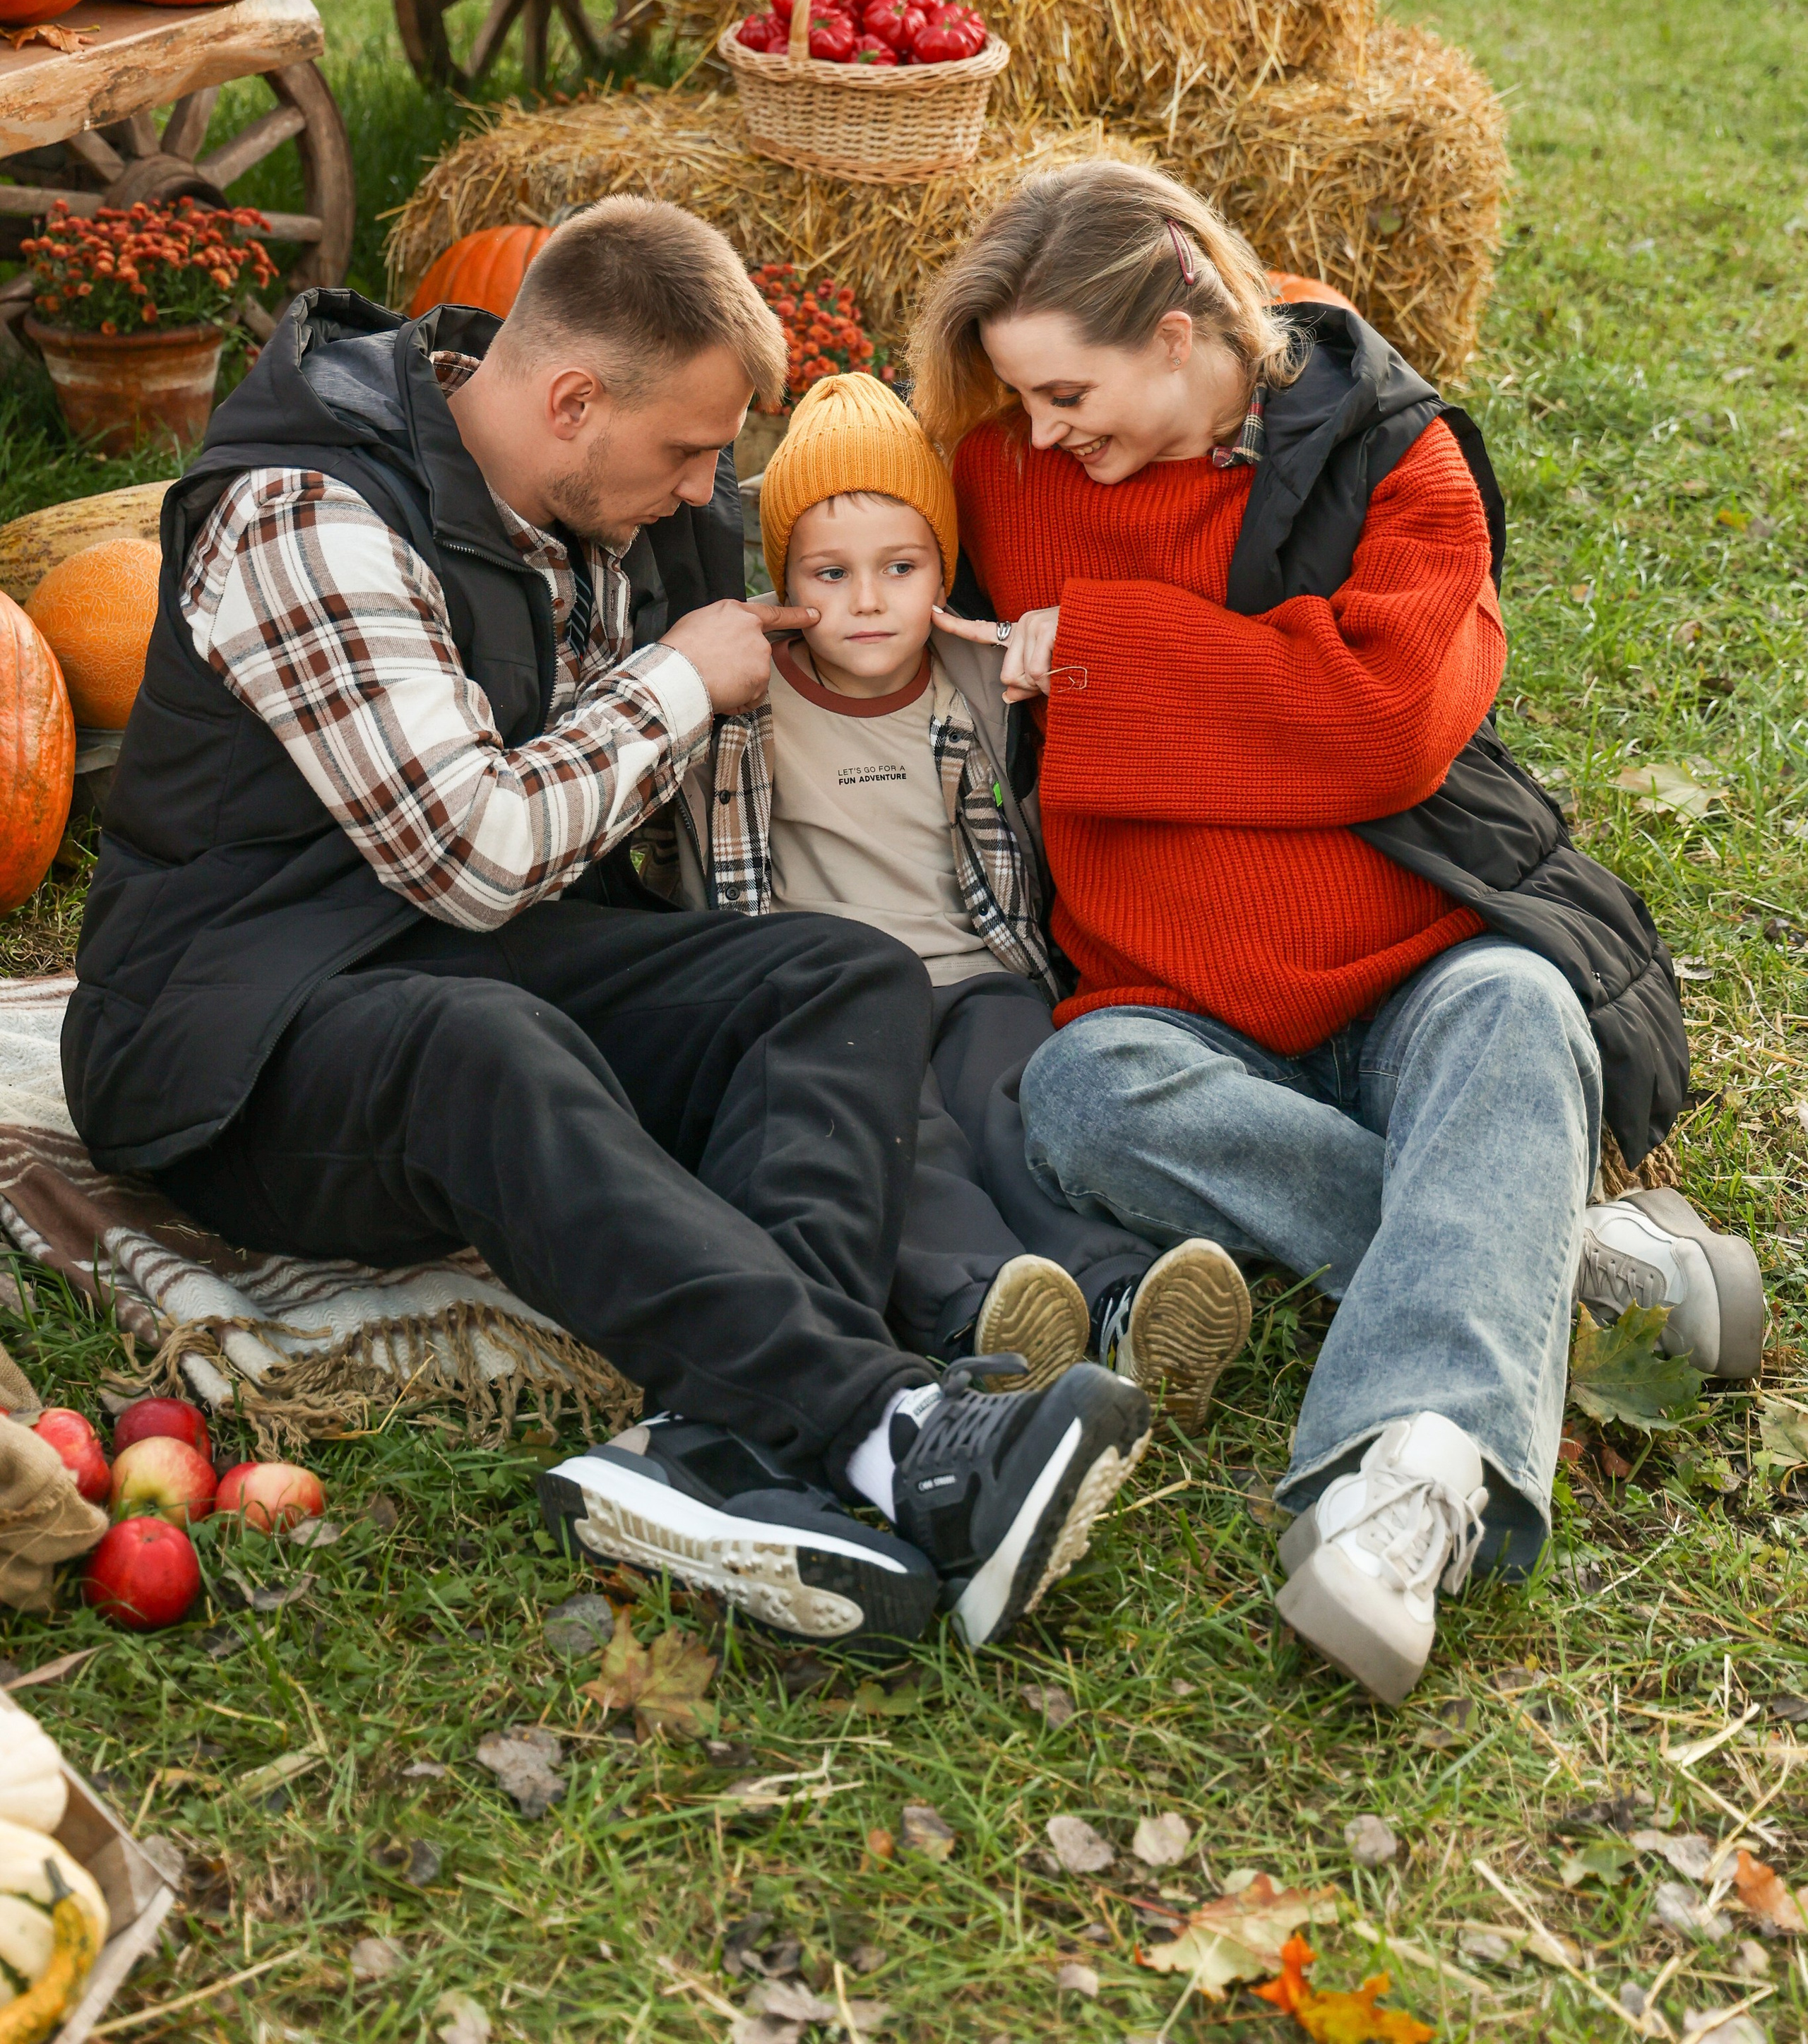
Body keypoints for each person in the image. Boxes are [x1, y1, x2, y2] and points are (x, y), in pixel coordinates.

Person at [61, 198, 1152, 1655]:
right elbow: (476, 854)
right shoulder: (305, 516)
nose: (709, 491)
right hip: (227, 1037)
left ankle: (726, 1463)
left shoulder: (595, 486)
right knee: (483, 1041)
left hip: (445, 964)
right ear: (571, 401)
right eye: (688, 453)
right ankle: (876, 1422)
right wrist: (681, 683)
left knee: (837, 977)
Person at [912, 157, 1767, 1706]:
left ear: (1178, 319)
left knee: (1518, 1011)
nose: (1037, 437)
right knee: (1080, 1094)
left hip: (1406, 968)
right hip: (1167, 1010)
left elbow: (1382, 722)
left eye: (1064, 391)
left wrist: (1095, 656)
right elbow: (844, 513)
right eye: (1018, 403)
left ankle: (1400, 1485)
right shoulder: (999, 462)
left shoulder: (1398, 459)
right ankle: (1537, 1251)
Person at [654, 367, 1252, 1426]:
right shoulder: (745, 700)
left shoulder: (976, 675)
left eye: (901, 567)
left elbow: (1115, 689)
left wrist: (1065, 657)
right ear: (783, 579)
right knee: (902, 1138)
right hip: (830, 1002)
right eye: (829, 573)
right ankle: (987, 1307)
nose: (870, 601)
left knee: (1014, 1098)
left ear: (945, 571)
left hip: (979, 975)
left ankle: (1114, 1294)